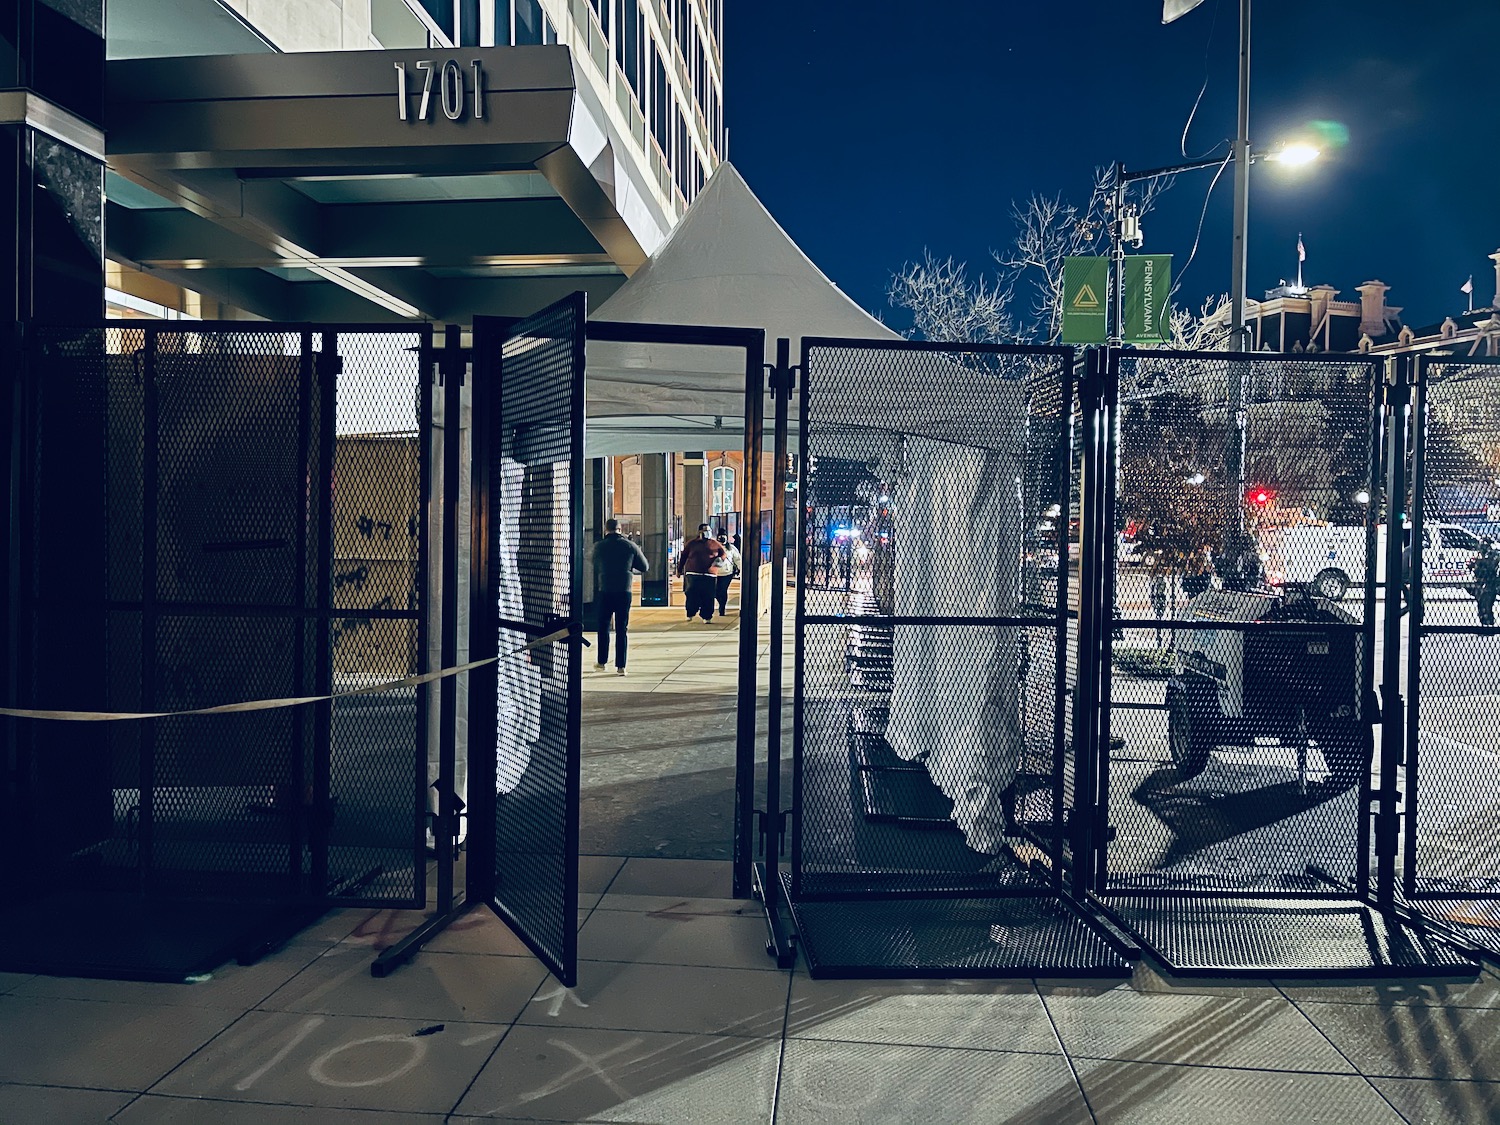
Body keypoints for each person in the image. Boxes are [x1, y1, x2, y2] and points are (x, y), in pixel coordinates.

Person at [590, 518, 648, 675]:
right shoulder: (630, 545)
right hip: (624, 590)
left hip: (605, 589)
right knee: (622, 628)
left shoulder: (599, 546)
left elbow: (592, 561)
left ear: (605, 529)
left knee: (603, 627)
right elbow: (644, 566)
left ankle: (602, 662)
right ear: (620, 529)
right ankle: (621, 666)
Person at [676, 522, 727, 622]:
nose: (707, 532)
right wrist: (679, 570)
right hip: (693, 574)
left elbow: (723, 554)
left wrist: (720, 560)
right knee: (691, 594)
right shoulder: (692, 544)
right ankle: (690, 612)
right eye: (705, 531)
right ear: (699, 532)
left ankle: (707, 616)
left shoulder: (715, 544)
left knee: (708, 596)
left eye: (709, 530)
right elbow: (683, 557)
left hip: (710, 575)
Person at [712, 531, 742, 617]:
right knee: (716, 591)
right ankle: (721, 602)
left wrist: (740, 569)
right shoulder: (713, 547)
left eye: (724, 537)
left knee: (723, 590)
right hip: (715, 573)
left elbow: (737, 559)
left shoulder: (731, 548)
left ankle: (722, 607)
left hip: (727, 573)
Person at [1472, 537, 1499, 627]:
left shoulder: (1493, 555)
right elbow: (1477, 571)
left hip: (1490, 583)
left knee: (1486, 604)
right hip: (1481, 582)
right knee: (1481, 604)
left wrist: (1480, 563)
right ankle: (1485, 622)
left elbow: (1491, 568)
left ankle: (1488, 623)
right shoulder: (1481, 556)